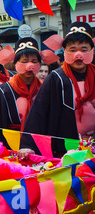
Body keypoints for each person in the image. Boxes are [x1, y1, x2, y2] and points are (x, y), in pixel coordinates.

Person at [19, 22, 95, 159]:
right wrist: (27, 145)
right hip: (65, 151)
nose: (78, 55)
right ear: (65, 51)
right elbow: (39, 113)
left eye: (84, 49)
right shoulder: (56, 78)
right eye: (72, 50)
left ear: (92, 50)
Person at [0, 37, 42, 146]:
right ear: (16, 63)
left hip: (40, 139)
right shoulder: (0, 87)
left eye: (34, 62)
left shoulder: (43, 87)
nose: (29, 66)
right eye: (24, 62)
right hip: (10, 139)